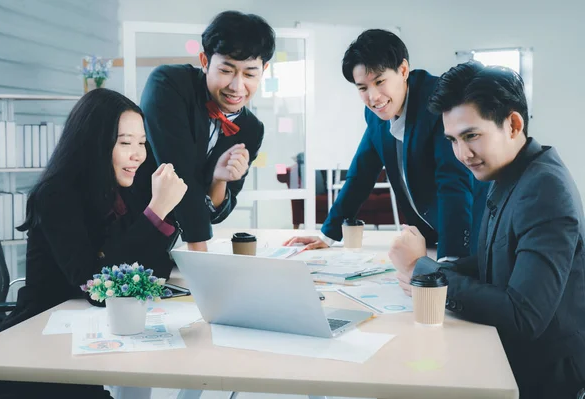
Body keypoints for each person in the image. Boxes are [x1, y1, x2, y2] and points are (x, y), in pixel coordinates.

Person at [389, 61, 585, 398]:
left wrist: (425, 269)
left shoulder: (544, 190)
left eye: (472, 136)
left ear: (512, 124)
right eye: (452, 140)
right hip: (510, 355)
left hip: (544, 375)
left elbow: (525, 316)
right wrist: (432, 270)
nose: (462, 154)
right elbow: (494, 263)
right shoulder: (511, 171)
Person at [0, 88, 186, 399]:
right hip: (38, 343)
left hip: (89, 334)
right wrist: (156, 211)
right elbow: (96, 286)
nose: (138, 154)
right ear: (96, 143)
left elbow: (149, 271)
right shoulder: (57, 195)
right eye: (125, 143)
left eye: (141, 143)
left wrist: (161, 212)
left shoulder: (124, 191)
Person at [284, 29, 488, 260]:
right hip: (428, 237)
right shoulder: (375, 115)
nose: (374, 97)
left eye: (380, 82)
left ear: (403, 70)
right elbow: (361, 174)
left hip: (473, 234)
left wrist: (451, 260)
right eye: (362, 88)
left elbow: (453, 183)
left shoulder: (440, 101)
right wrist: (327, 234)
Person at [139, 10, 275, 252]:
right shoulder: (169, 83)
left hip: (173, 244)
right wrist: (200, 254)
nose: (237, 87)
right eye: (226, 70)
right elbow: (176, 170)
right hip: (128, 222)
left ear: (263, 70)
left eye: (250, 74)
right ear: (204, 62)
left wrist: (218, 180)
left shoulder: (252, 129)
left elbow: (216, 212)